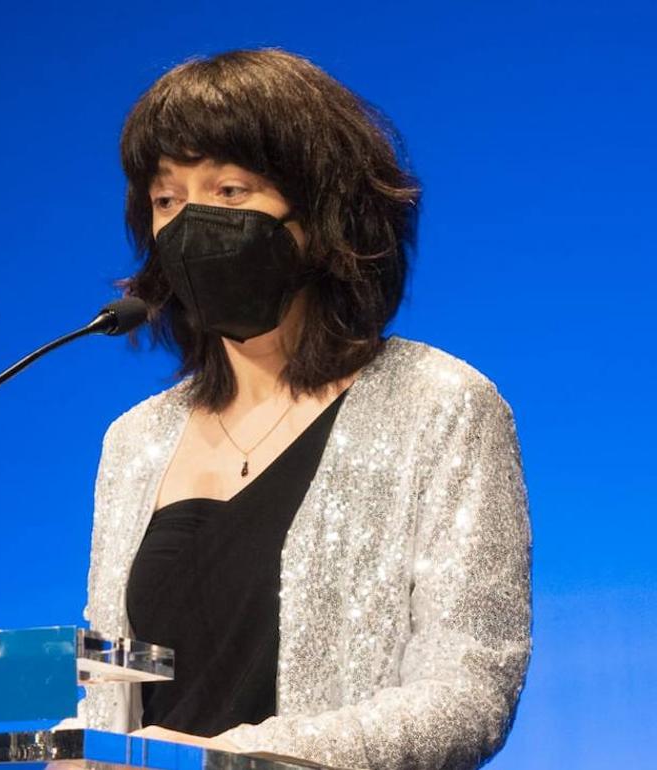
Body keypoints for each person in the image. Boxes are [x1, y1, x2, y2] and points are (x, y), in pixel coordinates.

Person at [64, 50, 532, 770]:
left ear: (319, 213)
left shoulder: (440, 406)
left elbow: (467, 692)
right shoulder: (135, 441)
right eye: (167, 200)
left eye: (229, 189)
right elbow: (108, 692)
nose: (192, 224)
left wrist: (223, 760)